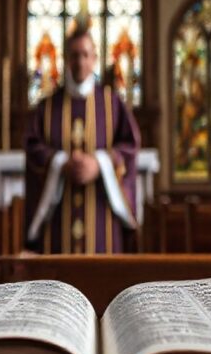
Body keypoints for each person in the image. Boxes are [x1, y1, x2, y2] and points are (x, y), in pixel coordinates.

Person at [25, 26, 140, 254]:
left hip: (103, 217)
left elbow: (130, 145)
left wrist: (100, 164)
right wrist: (59, 163)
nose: (80, 62)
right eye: (75, 55)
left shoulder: (112, 103)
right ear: (66, 59)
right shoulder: (47, 107)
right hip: (57, 221)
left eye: (86, 55)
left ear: (95, 58)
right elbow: (32, 146)